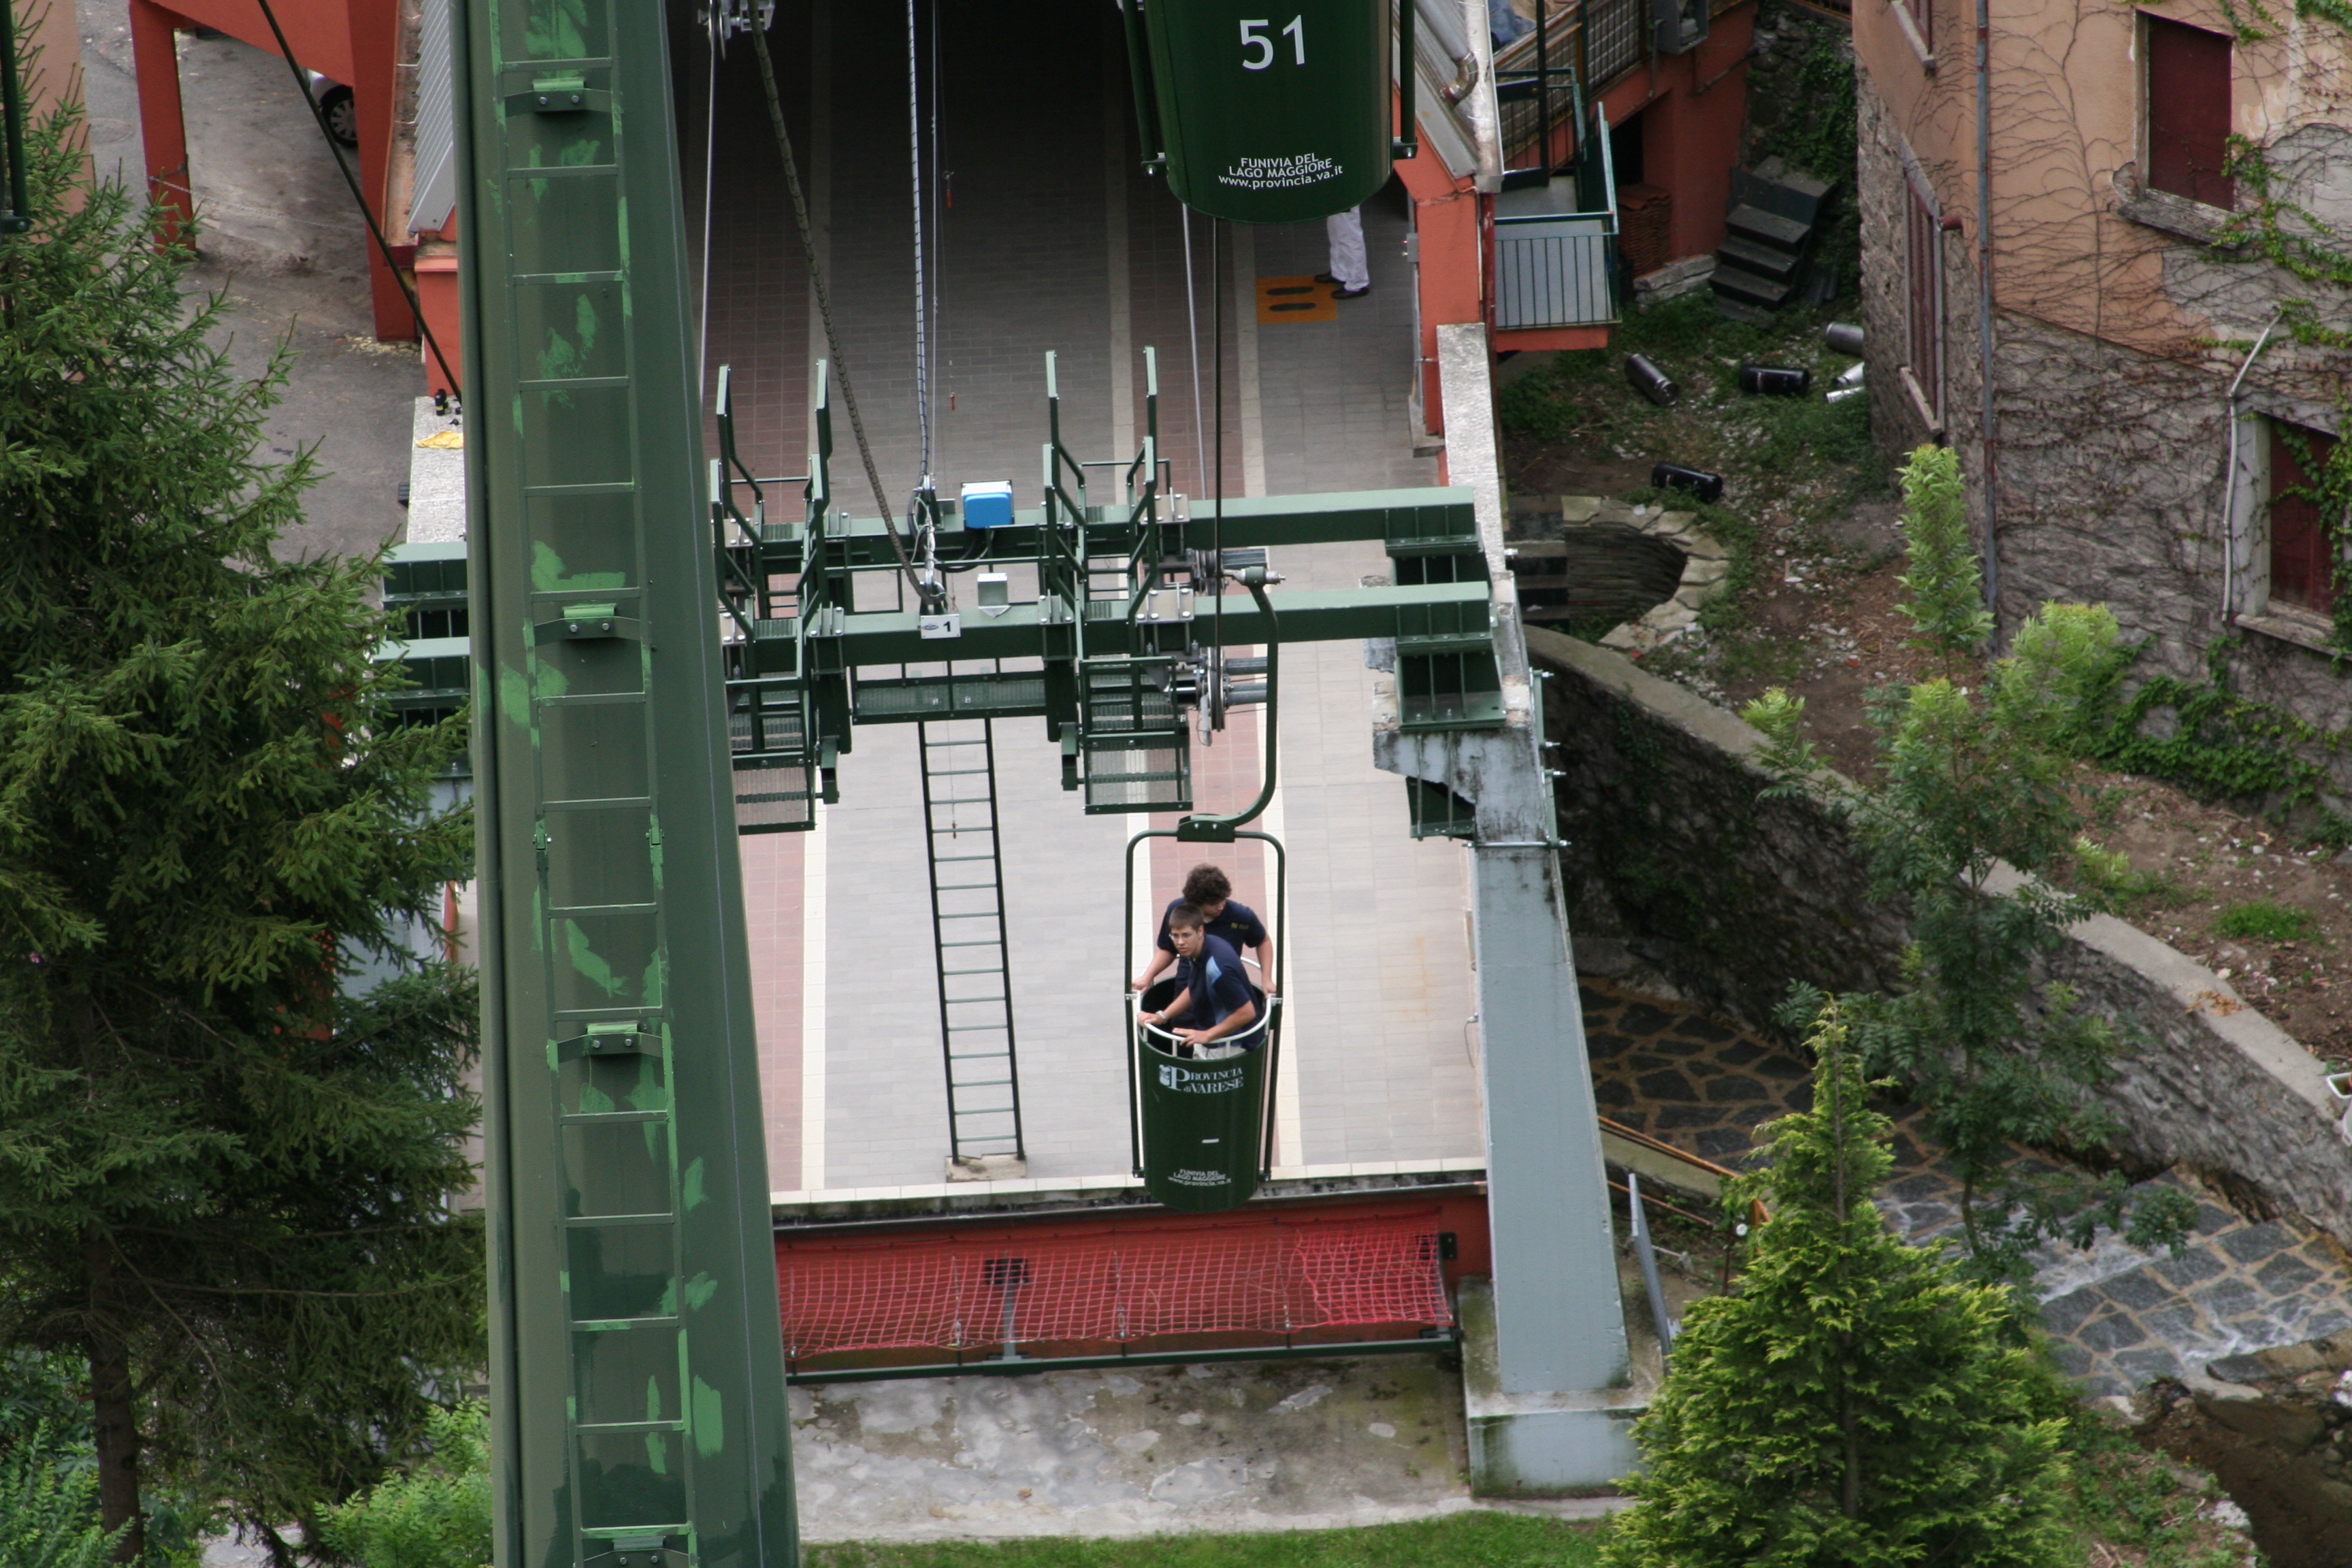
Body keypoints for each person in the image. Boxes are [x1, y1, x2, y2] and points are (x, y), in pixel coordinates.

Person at [1131, 863, 1272, 995]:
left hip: (1226, 988)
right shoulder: (1178, 910)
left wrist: (1266, 979)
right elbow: (1167, 949)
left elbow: (1263, 940)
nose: (1221, 907)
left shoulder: (1241, 916)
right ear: (1197, 902)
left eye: (1223, 900)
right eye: (1213, 904)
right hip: (1187, 985)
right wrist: (1147, 976)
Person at [1138, 904, 1259, 1053]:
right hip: (1212, 1039)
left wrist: (1207, 1035)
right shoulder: (1199, 948)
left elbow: (1247, 1012)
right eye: (1175, 936)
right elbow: (1196, 987)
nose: (1180, 942)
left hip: (1229, 1046)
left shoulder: (1217, 968)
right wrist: (1162, 1016)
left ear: (1200, 930)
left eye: (1186, 935)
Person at [1320, 206, 1370, 299]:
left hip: (1346, 194)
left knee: (1349, 234)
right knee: (1336, 227)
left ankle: (1357, 283)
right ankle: (1340, 272)